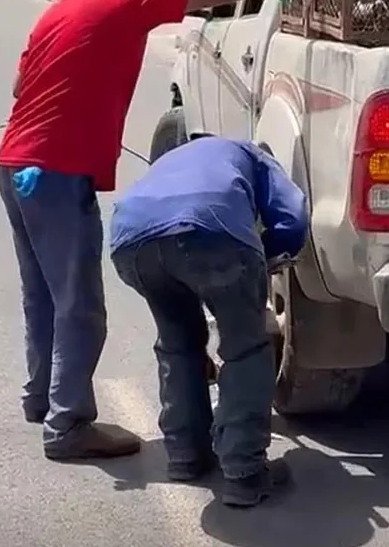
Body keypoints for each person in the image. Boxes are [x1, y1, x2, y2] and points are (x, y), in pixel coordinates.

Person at [0, 0, 321, 461]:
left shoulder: (65, 7)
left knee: (43, 294)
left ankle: (42, 398)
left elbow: (16, 85)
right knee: (81, 306)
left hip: (14, 165)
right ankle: (68, 426)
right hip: (55, 172)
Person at [108, 136, 308, 508]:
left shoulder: (175, 160)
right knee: (245, 347)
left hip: (130, 238)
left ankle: (185, 454)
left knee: (178, 343)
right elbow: (293, 216)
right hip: (209, 226)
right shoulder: (254, 153)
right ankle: (245, 472)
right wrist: (263, 259)